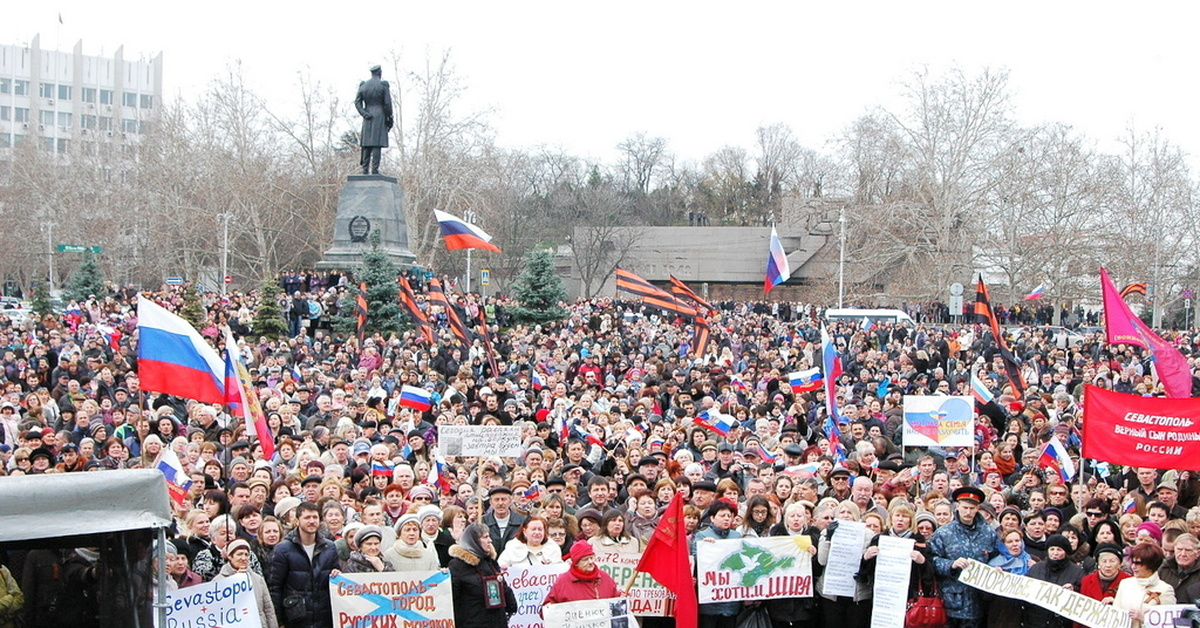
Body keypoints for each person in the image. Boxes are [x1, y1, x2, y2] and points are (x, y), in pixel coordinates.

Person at [929, 486, 998, 628]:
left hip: (980, 602)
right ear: (958, 506)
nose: (968, 512)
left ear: (978, 508)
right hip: (952, 602)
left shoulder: (989, 533)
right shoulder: (943, 533)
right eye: (965, 507)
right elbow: (932, 561)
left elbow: (995, 558)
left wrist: (996, 569)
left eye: (972, 508)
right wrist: (951, 565)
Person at [267, 501, 340, 628]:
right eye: (307, 517)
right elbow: (275, 588)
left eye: (315, 517)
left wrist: (338, 575)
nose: (311, 521)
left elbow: (336, 582)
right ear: (297, 521)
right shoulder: (283, 549)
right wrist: (279, 622)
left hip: (324, 618)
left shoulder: (330, 547)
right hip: (295, 618)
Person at [449, 523, 516, 628]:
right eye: (485, 537)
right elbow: (453, 598)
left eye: (489, 536)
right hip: (473, 623)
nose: (490, 540)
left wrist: (511, 605)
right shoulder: (458, 566)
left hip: (497, 622)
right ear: (474, 541)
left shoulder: (490, 562)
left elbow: (502, 587)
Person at [692, 499, 742, 628]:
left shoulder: (736, 536)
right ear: (712, 518)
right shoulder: (702, 536)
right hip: (709, 599)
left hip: (730, 599)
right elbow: (695, 562)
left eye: (729, 516)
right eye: (722, 515)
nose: (726, 519)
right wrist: (704, 548)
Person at [1024, 534, 1084, 628]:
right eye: (1052, 549)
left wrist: (1074, 589)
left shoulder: (1077, 572)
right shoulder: (1037, 568)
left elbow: (1083, 594)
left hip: (1061, 623)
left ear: (1066, 552)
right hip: (1035, 620)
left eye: (1059, 550)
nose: (1055, 553)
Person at [218, 539, 278, 628]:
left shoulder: (258, 579)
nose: (243, 558)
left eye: (246, 554)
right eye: (239, 554)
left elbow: (268, 610)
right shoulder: (219, 581)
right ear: (230, 556)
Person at [542, 539, 619, 608]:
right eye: (585, 559)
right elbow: (547, 608)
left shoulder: (604, 577)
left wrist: (621, 597)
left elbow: (617, 600)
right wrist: (549, 608)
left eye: (591, 558)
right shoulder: (563, 581)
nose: (590, 562)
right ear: (576, 563)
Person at [1114, 543, 1175, 628]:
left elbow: (1168, 624)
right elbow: (1115, 616)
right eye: (1133, 562)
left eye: (1138, 563)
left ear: (1151, 565)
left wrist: (1143, 619)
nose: (1133, 567)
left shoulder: (1165, 590)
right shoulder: (1125, 584)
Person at [354, 65, 393, 175]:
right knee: (376, 143)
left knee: (367, 142)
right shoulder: (383, 85)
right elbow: (387, 104)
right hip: (379, 115)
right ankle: (375, 169)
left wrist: (364, 113)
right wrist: (389, 118)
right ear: (380, 72)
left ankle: (365, 169)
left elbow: (357, 102)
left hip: (367, 116)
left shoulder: (363, 85)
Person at [497, 516, 562, 568]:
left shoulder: (552, 548)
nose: (537, 532)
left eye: (540, 529)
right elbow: (501, 567)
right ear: (525, 532)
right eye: (533, 529)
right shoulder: (513, 548)